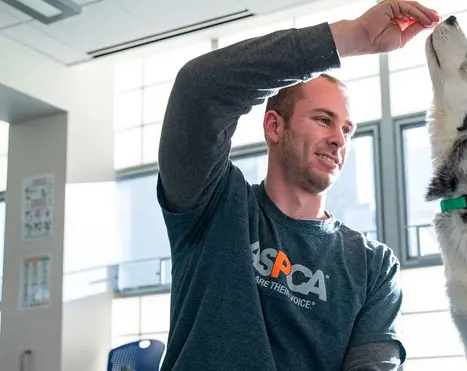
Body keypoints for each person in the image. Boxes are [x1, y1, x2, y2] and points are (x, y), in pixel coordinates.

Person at [155, 1, 441, 370]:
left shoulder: (373, 265)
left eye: (346, 129)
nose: (339, 139)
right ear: (274, 127)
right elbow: (200, 88)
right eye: (324, 120)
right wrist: (352, 37)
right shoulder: (213, 203)